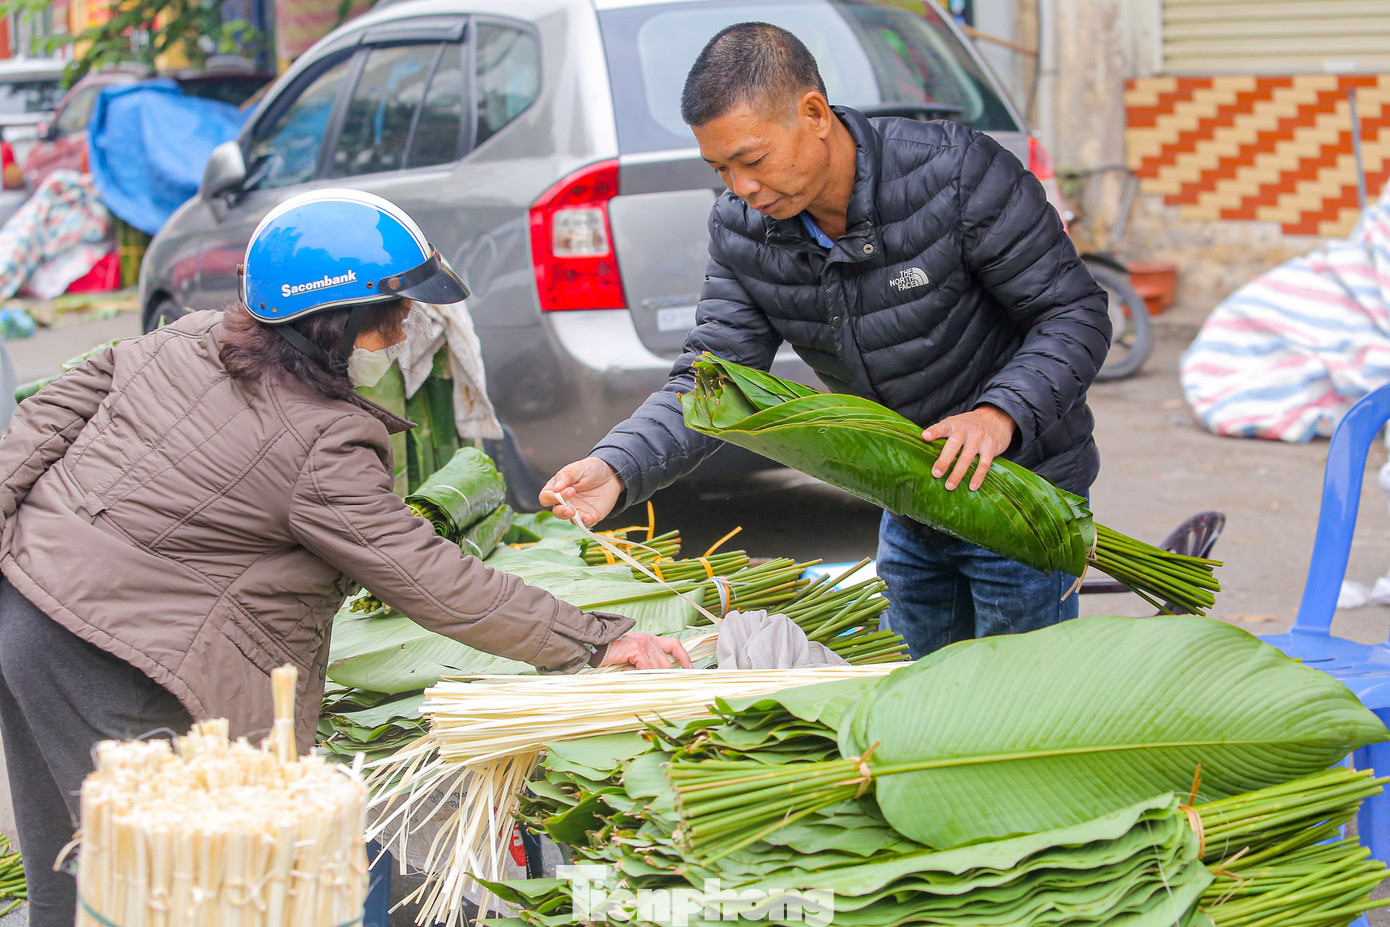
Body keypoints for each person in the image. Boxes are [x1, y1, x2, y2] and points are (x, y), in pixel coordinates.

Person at [0, 189, 690, 927]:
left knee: (72, 884)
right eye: (393, 310)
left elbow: (41, 417)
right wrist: (598, 637)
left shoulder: (187, 337)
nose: (403, 326)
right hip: (122, 665)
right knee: (170, 894)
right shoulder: (323, 442)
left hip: (26, 617)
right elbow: (431, 577)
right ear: (341, 319)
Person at [542, 23, 1111, 661]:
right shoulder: (744, 229)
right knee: (912, 700)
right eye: (721, 167)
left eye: (752, 160)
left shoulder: (957, 173)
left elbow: (1074, 313)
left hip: (1022, 497)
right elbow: (708, 383)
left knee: (1020, 711)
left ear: (813, 113)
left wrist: (998, 414)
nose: (741, 187)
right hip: (912, 499)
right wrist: (618, 466)